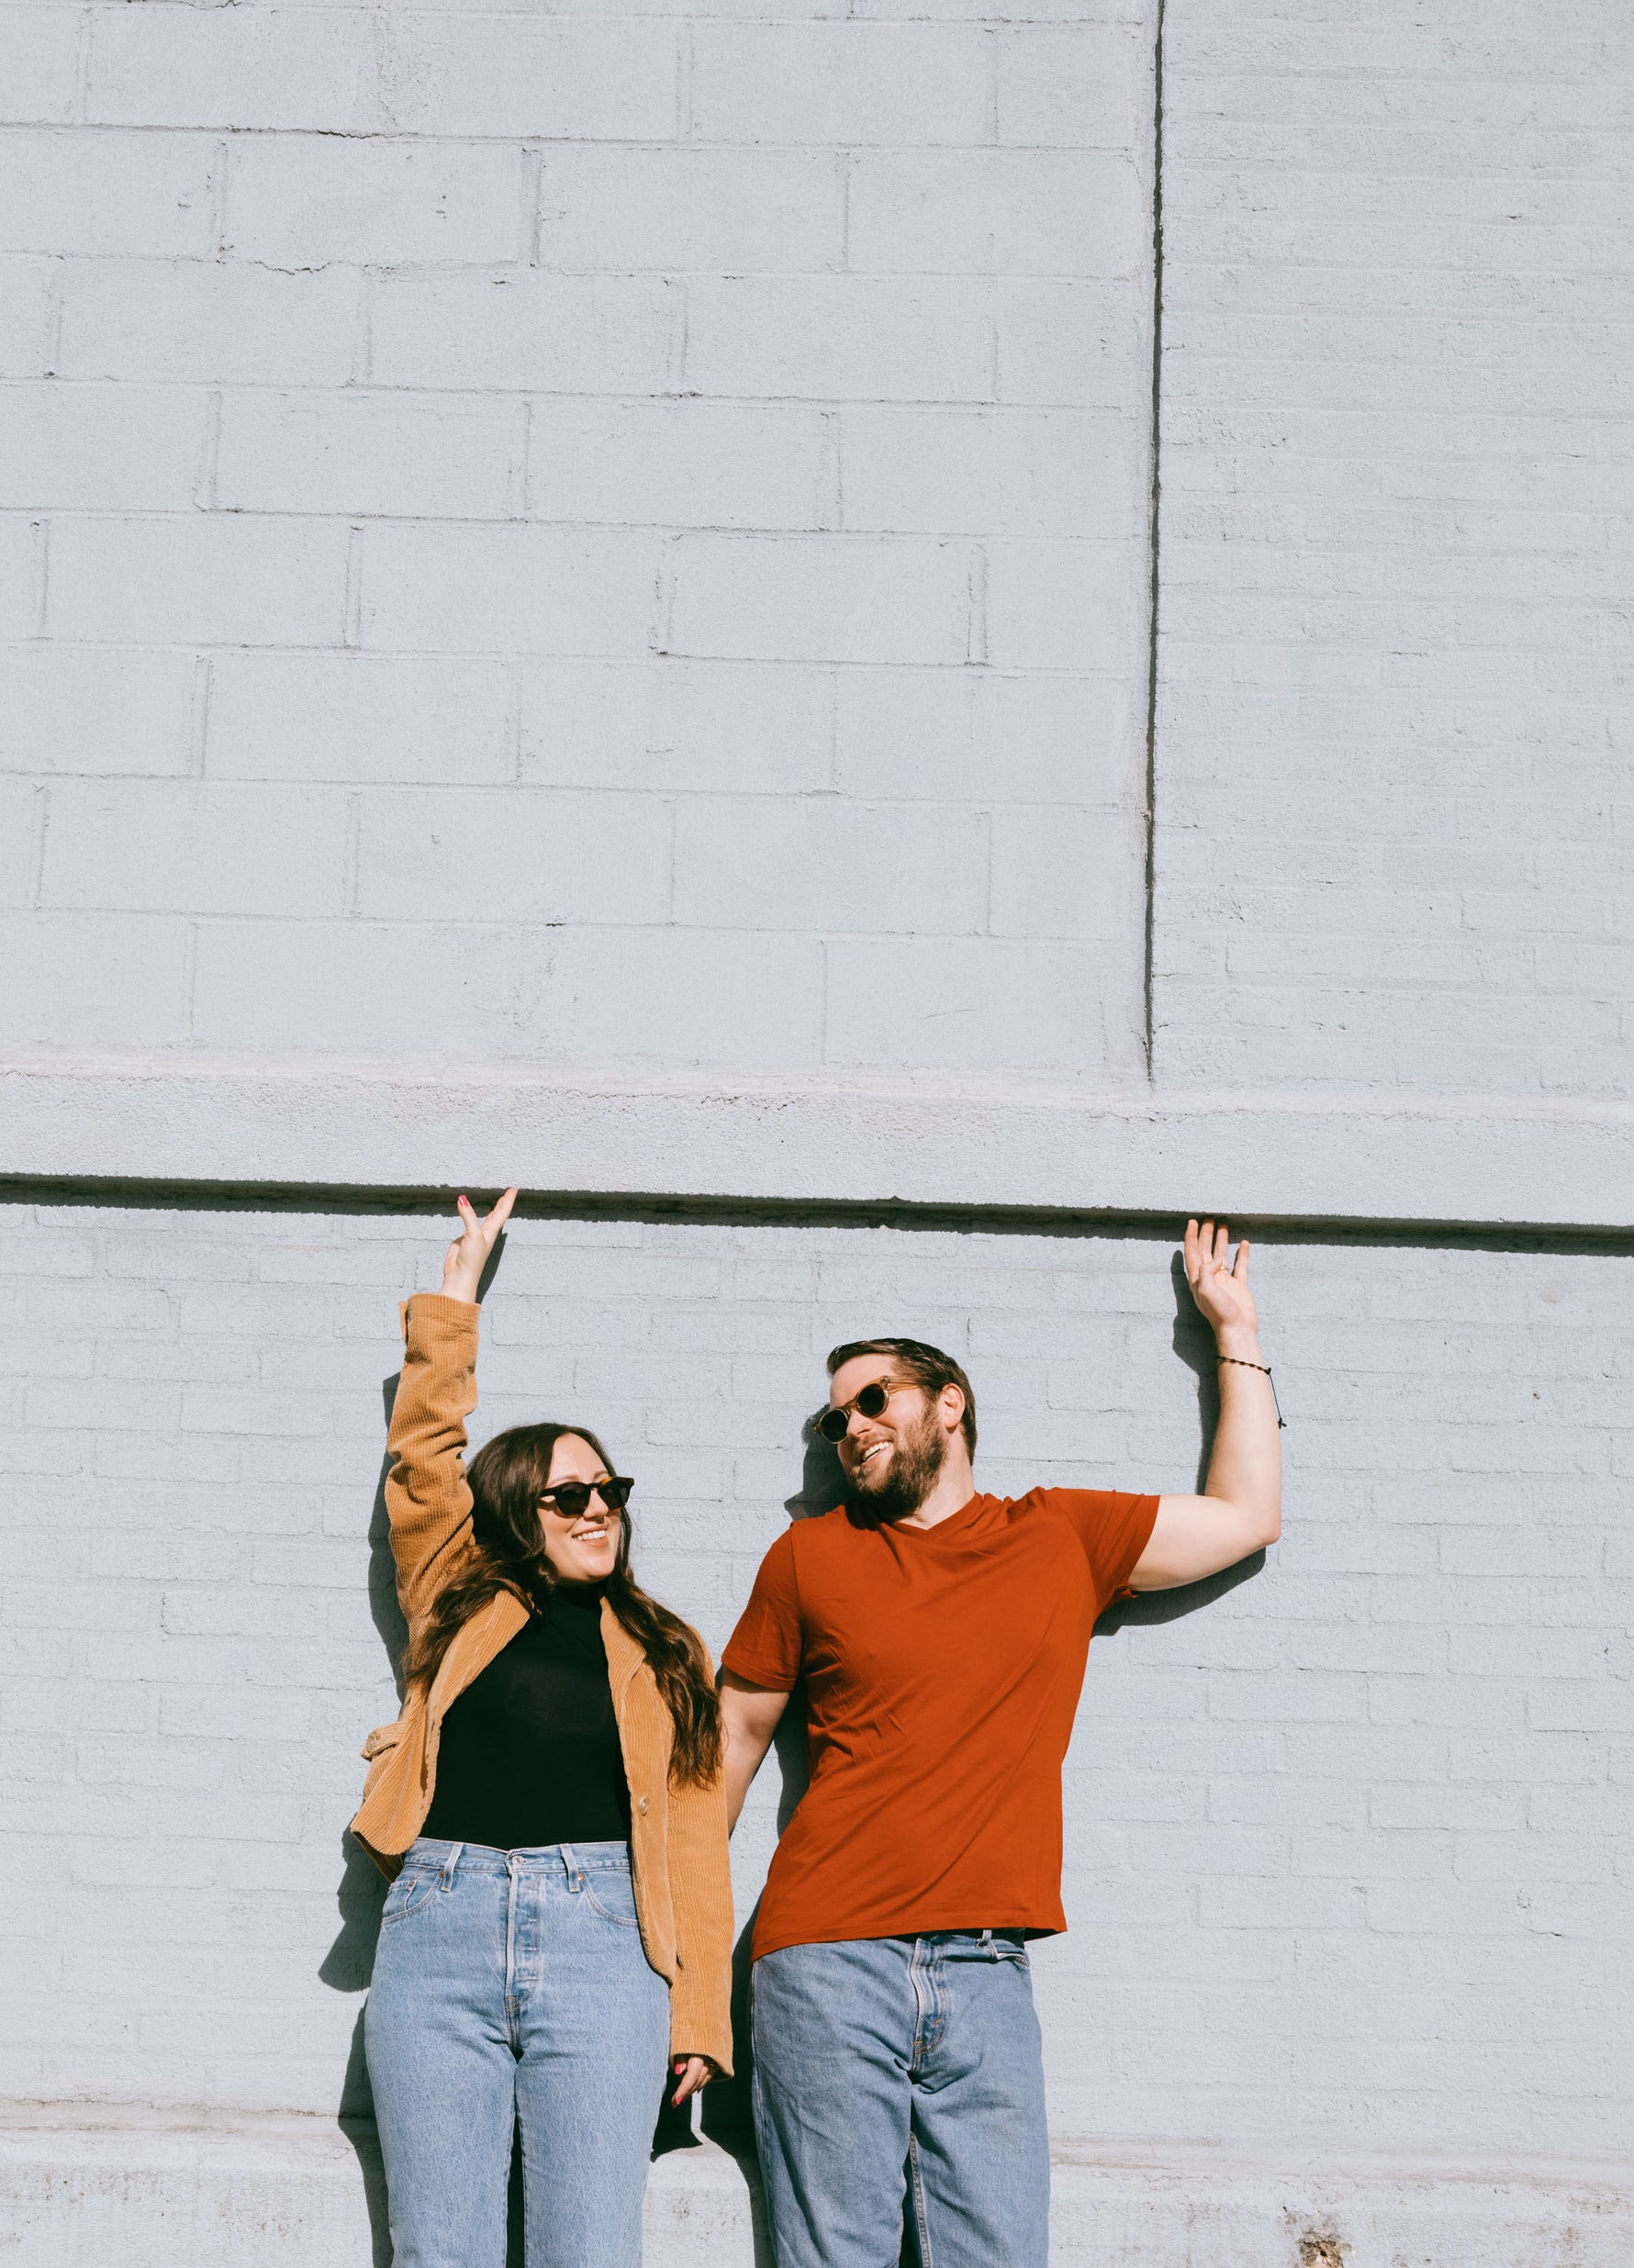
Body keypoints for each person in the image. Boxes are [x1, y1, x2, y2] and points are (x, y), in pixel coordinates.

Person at [718, 1218, 1282, 2268]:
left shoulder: (1058, 1533)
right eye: (835, 1418)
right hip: (823, 1958)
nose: (850, 1426)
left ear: (949, 1401)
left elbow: (1245, 1516)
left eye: (871, 1398)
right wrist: (681, 1953)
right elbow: (731, 1746)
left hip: (987, 1965)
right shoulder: (806, 1555)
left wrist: (1234, 1333)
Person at [352, 1189, 733, 2268]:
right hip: (441, 1922)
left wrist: (701, 2014)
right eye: (568, 1495)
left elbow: (693, 1841)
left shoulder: (665, 1646)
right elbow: (422, 1459)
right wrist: (455, 1298)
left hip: (605, 1943)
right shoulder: (457, 1594)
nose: (597, 1507)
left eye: (607, 1488)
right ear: (519, 1507)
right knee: (441, 2250)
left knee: (590, 2249)